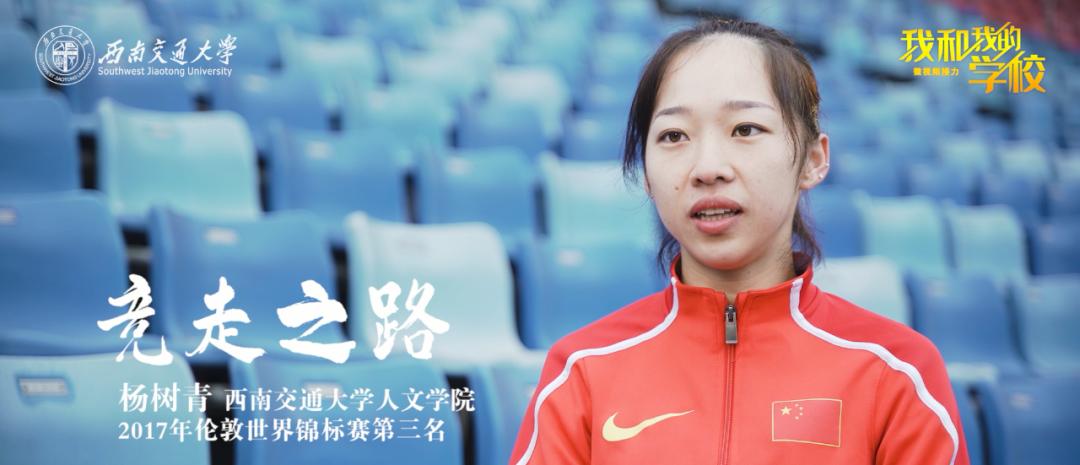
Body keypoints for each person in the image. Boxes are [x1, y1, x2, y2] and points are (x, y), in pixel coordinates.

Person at [508, 18, 970, 465]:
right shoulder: (582, 369)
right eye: (674, 136)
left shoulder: (898, 373)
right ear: (646, 173)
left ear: (813, 159)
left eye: (745, 129)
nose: (708, 168)